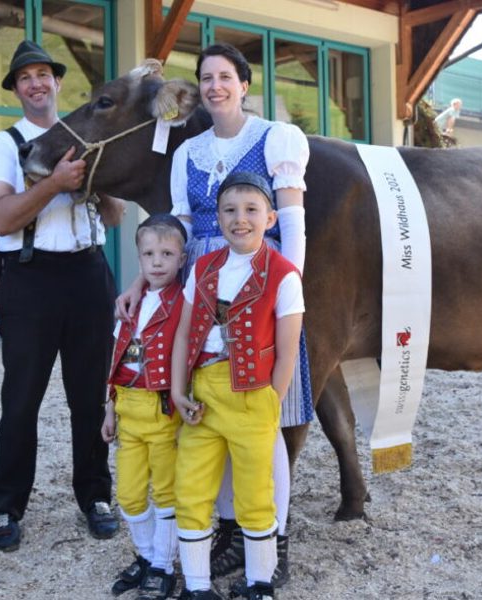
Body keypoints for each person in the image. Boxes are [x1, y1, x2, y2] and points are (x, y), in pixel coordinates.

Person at [116, 43, 309, 588]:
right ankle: (227, 534)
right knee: (207, 417)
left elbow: (291, 223)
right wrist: (141, 283)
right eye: (206, 78)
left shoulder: (276, 138)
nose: (215, 86)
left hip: (259, 284)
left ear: (245, 85)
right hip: (199, 287)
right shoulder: (187, 151)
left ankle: (274, 539)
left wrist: (283, 287)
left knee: (262, 421)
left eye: (226, 76)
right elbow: (173, 232)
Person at [0, 40, 124, 551]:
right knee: (21, 398)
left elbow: (114, 217)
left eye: (44, 74)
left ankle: (95, 497)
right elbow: (1, 217)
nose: (37, 84)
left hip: (89, 273)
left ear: (57, 83)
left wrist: (95, 185)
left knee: (90, 396)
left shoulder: (84, 133)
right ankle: (5, 507)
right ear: (17, 90)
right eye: (26, 78)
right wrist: (56, 183)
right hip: (29, 276)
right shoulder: (5, 143)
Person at [170, 172, 304, 600]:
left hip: (252, 397)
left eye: (251, 210)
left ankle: (260, 584)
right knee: (191, 486)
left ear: (270, 218)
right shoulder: (204, 267)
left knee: (254, 490)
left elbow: (287, 351)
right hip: (203, 395)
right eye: (229, 210)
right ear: (218, 217)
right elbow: (183, 331)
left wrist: (271, 402)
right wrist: (178, 390)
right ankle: (196, 585)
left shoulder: (283, 274)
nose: (239, 219)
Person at [102, 214, 189, 600]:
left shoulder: (183, 303)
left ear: (182, 259)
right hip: (129, 410)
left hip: (162, 411)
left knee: (167, 492)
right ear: (138, 257)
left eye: (167, 253)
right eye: (149, 254)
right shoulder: (128, 305)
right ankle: (147, 553)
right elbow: (116, 357)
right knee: (130, 493)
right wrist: (109, 407)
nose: (157, 262)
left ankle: (163, 566)